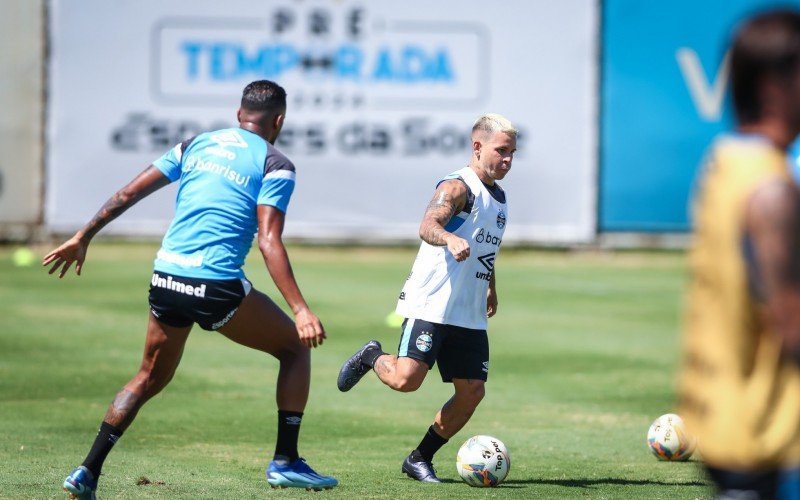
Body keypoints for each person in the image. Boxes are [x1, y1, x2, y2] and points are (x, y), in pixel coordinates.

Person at [43, 80, 338, 498]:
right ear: (279, 121)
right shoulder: (276, 163)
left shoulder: (195, 144)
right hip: (214, 284)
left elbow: (127, 193)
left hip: (165, 278)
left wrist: (83, 236)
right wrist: (301, 309)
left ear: (239, 115)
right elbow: (269, 240)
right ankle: (286, 461)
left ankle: (87, 470)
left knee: (147, 377)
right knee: (293, 348)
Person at [337, 113, 516, 482]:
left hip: (467, 311)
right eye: (501, 151)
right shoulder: (456, 187)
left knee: (472, 393)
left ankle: (419, 457)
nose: (508, 160)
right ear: (478, 146)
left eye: (513, 153)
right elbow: (427, 225)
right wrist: (449, 238)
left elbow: (486, 246)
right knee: (406, 380)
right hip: (432, 303)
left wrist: (490, 286)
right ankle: (372, 355)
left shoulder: (499, 197)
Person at [678, 10, 800, 499]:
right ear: (774, 85)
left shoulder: (724, 163)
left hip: (725, 423)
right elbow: (792, 324)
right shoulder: (772, 190)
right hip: (772, 437)